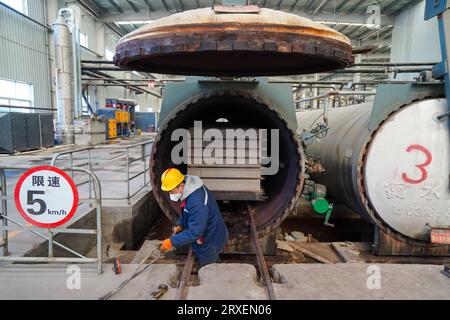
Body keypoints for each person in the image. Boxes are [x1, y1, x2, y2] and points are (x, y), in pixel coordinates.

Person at [159, 168, 229, 267]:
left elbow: (195, 232)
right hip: (211, 232)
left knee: (208, 268)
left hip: (210, 240)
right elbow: (187, 211)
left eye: (171, 191)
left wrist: (171, 242)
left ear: (181, 186)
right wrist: (181, 224)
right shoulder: (190, 190)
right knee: (214, 261)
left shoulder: (196, 202)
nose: (170, 195)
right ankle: (217, 264)